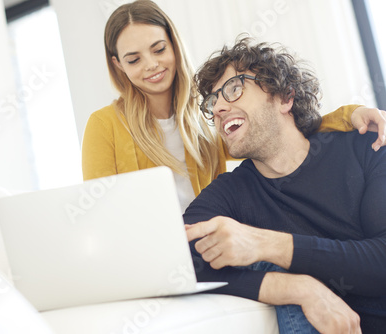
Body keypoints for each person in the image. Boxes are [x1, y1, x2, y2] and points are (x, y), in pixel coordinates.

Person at [82, 0, 386, 213]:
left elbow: (274, 129)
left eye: (159, 49)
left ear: (174, 45)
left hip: (210, 252)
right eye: (134, 59)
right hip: (152, 258)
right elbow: (103, 215)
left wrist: (351, 115)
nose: (151, 65)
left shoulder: (209, 118)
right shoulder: (104, 125)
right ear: (118, 65)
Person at [185, 37, 386, 333]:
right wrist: (296, 287)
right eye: (213, 102)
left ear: (284, 97)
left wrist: (267, 244)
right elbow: (179, 262)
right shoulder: (230, 192)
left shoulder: (368, 146)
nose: (218, 109)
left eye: (234, 89)